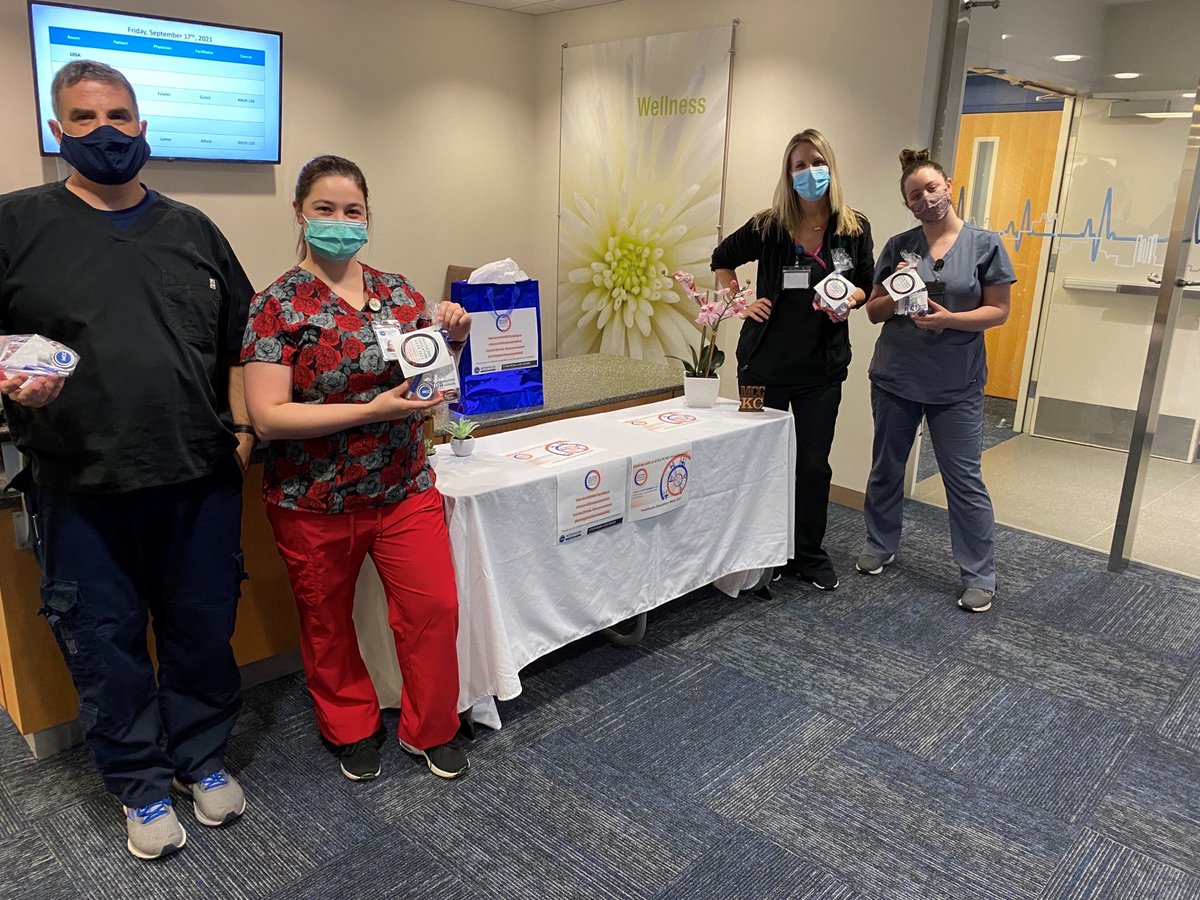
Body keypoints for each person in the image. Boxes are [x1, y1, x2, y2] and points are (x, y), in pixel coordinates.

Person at [0, 61, 254, 859]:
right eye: (83, 118)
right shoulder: (16, 225)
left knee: (203, 629)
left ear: (143, 126)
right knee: (103, 641)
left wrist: (243, 431)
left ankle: (200, 760)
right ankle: (141, 787)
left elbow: (240, 344)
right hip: (80, 484)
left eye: (118, 115)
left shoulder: (193, 230)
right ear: (57, 132)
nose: (104, 131)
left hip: (199, 476)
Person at [242, 155, 471, 784]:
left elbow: (425, 377)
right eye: (325, 209)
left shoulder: (397, 292)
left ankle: (433, 726)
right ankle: (351, 725)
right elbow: (267, 418)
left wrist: (451, 335)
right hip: (312, 499)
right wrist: (369, 408)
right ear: (300, 214)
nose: (340, 222)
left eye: (353, 211)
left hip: (402, 487)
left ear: (367, 217)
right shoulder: (276, 307)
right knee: (326, 623)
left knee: (434, 611)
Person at [711, 128, 875, 591]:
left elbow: (867, 282)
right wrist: (741, 302)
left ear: (831, 167)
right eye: (799, 165)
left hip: (821, 371)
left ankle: (806, 554)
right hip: (761, 367)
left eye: (816, 162)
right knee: (756, 460)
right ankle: (755, 554)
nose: (809, 172)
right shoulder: (768, 225)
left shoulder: (854, 227)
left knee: (813, 465)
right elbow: (721, 259)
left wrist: (852, 299)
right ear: (789, 173)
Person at [856, 149, 1015, 613]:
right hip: (896, 378)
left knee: (963, 480)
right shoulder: (899, 246)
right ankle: (880, 543)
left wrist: (950, 319)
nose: (925, 199)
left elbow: (999, 310)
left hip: (956, 386)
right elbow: (874, 312)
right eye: (914, 195)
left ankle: (979, 574)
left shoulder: (985, 245)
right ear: (907, 204)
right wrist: (896, 286)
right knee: (887, 468)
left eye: (931, 188)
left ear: (948, 184)